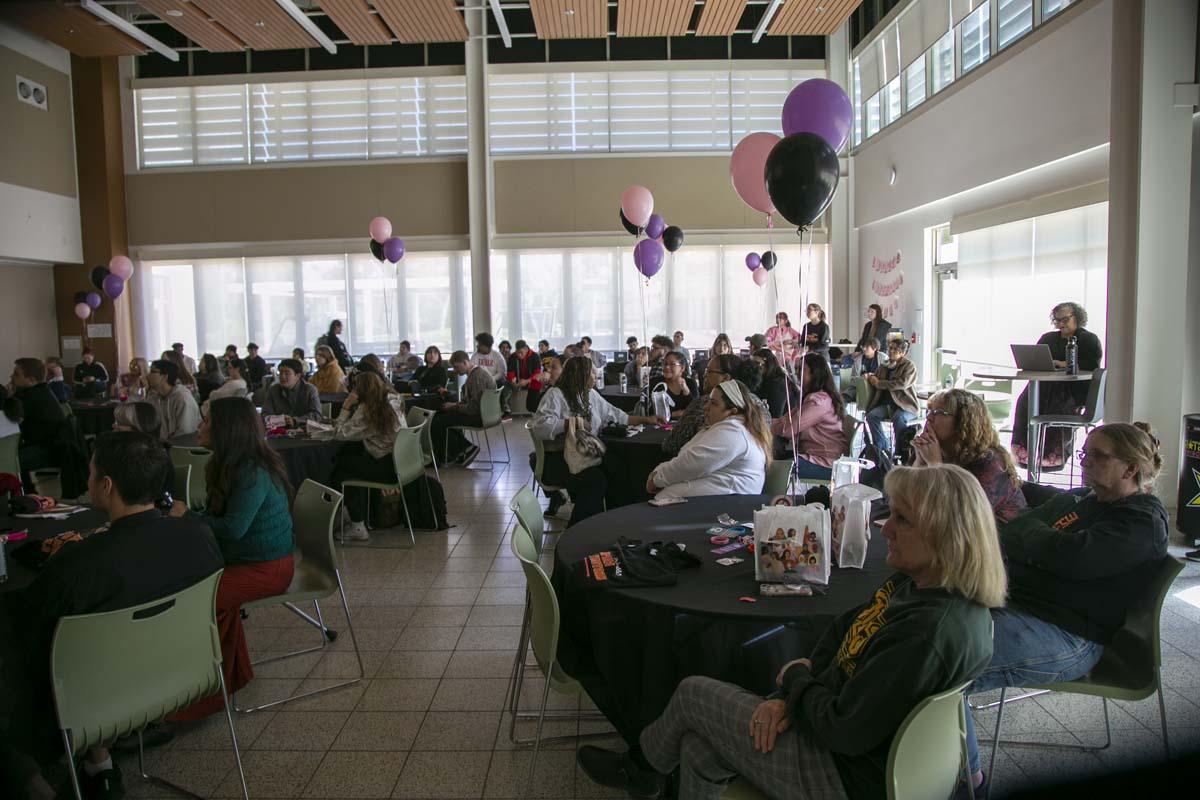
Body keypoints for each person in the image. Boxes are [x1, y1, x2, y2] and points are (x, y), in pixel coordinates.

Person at [579, 464, 1005, 800]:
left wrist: (794, 682)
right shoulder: (915, 586)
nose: (885, 527)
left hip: (847, 778)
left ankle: (641, 771)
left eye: (902, 519)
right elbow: (843, 630)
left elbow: (843, 729)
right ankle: (648, 774)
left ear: (945, 534)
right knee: (699, 750)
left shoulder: (927, 633)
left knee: (693, 694)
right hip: (843, 738)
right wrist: (789, 697)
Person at [5, 432, 222, 798]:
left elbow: (29, 633)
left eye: (90, 473)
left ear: (105, 485)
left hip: (94, 696)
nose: (87, 481)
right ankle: (99, 762)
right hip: (184, 677)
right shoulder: (199, 536)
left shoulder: (79, 564)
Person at [962, 422, 1168, 794]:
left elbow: (1072, 558)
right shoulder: (1084, 499)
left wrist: (1040, 542)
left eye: (1096, 455)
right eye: (1084, 453)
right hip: (1025, 610)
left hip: (1070, 636)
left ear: (1130, 469)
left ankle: (967, 781)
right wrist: (1044, 544)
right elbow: (1017, 531)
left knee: (945, 660)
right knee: (927, 627)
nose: (1084, 461)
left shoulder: (1140, 521)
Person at [167, 397, 295, 721]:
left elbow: (234, 529)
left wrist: (187, 517)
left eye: (206, 420)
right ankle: (227, 678)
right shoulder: (231, 464)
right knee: (188, 584)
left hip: (267, 568)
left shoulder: (251, 471)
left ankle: (201, 696)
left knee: (197, 600)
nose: (199, 425)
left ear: (227, 429)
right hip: (246, 561)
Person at [532, 356, 661, 526]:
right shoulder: (555, 395)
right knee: (595, 480)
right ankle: (578, 530)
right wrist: (571, 422)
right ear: (581, 375)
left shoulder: (590, 395)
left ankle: (619, 520)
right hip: (559, 459)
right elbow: (539, 426)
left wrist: (645, 420)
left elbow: (616, 415)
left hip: (586, 456)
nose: (595, 376)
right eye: (592, 372)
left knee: (619, 467)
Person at [1011, 301, 1103, 470]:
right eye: (1057, 320)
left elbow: (1092, 364)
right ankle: (1025, 454)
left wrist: (1063, 363)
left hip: (1074, 391)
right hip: (1046, 386)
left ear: (1077, 318)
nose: (1061, 324)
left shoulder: (1088, 339)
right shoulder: (1048, 338)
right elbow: (1037, 358)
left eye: (1065, 319)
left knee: (1053, 401)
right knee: (1025, 400)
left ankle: (1051, 457)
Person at [911, 389, 1027, 523]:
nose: (929, 418)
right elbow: (902, 499)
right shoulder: (934, 449)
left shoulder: (989, 462)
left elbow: (959, 519)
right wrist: (919, 461)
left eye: (938, 413)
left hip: (1001, 537)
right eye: (929, 411)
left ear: (963, 421)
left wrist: (935, 466)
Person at [647, 379, 770, 499]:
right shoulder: (730, 427)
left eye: (714, 403)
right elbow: (686, 458)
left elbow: (692, 464)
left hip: (729, 507)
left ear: (732, 411)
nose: (706, 407)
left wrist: (658, 479)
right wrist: (658, 475)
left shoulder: (734, 431)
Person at [329, 371, 408, 541]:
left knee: (341, 468)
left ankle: (355, 523)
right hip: (404, 463)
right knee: (349, 461)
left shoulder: (368, 411)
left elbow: (339, 433)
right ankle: (353, 518)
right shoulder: (393, 400)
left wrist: (346, 406)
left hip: (388, 467)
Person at [663, 354, 769, 458]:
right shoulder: (758, 403)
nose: (704, 375)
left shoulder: (706, 403)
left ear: (725, 378)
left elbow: (672, 444)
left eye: (708, 371)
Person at [771, 353, 846, 480]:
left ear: (815, 374)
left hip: (825, 463)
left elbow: (788, 429)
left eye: (802, 370)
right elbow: (787, 420)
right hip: (813, 456)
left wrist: (766, 425)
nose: (797, 374)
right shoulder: (812, 397)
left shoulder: (818, 402)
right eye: (797, 369)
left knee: (773, 471)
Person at [433, 350, 497, 466]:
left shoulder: (477, 377)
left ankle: (465, 449)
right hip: (486, 414)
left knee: (438, 421)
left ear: (465, 362)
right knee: (444, 417)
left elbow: (474, 408)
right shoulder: (476, 374)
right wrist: (454, 406)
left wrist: (455, 406)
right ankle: (461, 451)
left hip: (480, 416)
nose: (455, 371)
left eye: (456, 367)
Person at [10, 358, 67, 489]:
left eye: (16, 374)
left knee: (8, 459)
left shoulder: (28, 397)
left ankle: (23, 494)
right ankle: (27, 491)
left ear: (31, 380)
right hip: (55, 448)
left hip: (47, 451)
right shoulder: (43, 391)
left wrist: (10, 395)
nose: (12, 377)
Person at [863, 338, 918, 453]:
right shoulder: (885, 365)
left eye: (895, 349)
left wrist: (879, 383)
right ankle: (882, 447)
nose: (891, 351)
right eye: (890, 348)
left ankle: (900, 450)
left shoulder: (909, 366)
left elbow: (901, 383)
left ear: (902, 353)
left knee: (898, 418)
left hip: (905, 405)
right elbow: (876, 376)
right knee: (871, 416)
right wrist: (870, 376)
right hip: (888, 405)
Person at [147, 359, 201, 440]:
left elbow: (186, 432)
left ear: (164, 377)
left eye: (152, 371)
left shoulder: (183, 398)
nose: (148, 375)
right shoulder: (154, 397)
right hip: (162, 446)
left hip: (183, 447)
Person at [262, 358, 321, 424]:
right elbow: (265, 414)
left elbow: (316, 415)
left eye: (287, 374)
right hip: (279, 430)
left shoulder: (310, 390)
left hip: (304, 430)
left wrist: (295, 420)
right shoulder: (273, 389)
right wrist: (279, 419)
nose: (282, 376)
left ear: (298, 376)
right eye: (280, 373)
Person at [470, 332, 510, 415]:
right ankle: (474, 409)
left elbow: (501, 373)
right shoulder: (475, 356)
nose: (477, 346)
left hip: (495, 380)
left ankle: (503, 408)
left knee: (503, 383)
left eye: (479, 344)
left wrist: (491, 379)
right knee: (465, 386)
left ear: (486, 346)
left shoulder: (497, 356)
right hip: (479, 381)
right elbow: (471, 370)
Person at [752, 348, 793, 419]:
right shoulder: (764, 379)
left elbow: (775, 414)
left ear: (768, 364)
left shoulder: (778, 383)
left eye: (757, 364)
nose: (754, 367)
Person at [507, 339, 543, 414]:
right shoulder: (512, 357)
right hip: (518, 381)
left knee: (537, 383)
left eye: (521, 353)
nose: (519, 355)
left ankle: (534, 410)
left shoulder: (535, 356)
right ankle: (507, 410)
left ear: (526, 349)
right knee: (506, 385)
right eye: (517, 352)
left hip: (531, 381)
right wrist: (512, 381)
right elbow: (510, 372)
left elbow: (537, 374)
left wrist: (527, 381)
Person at [658, 351, 698, 419]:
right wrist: (673, 414)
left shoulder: (690, 383)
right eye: (665, 364)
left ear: (682, 368)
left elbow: (696, 410)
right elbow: (651, 411)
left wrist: (686, 390)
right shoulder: (657, 383)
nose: (667, 367)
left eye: (672, 364)